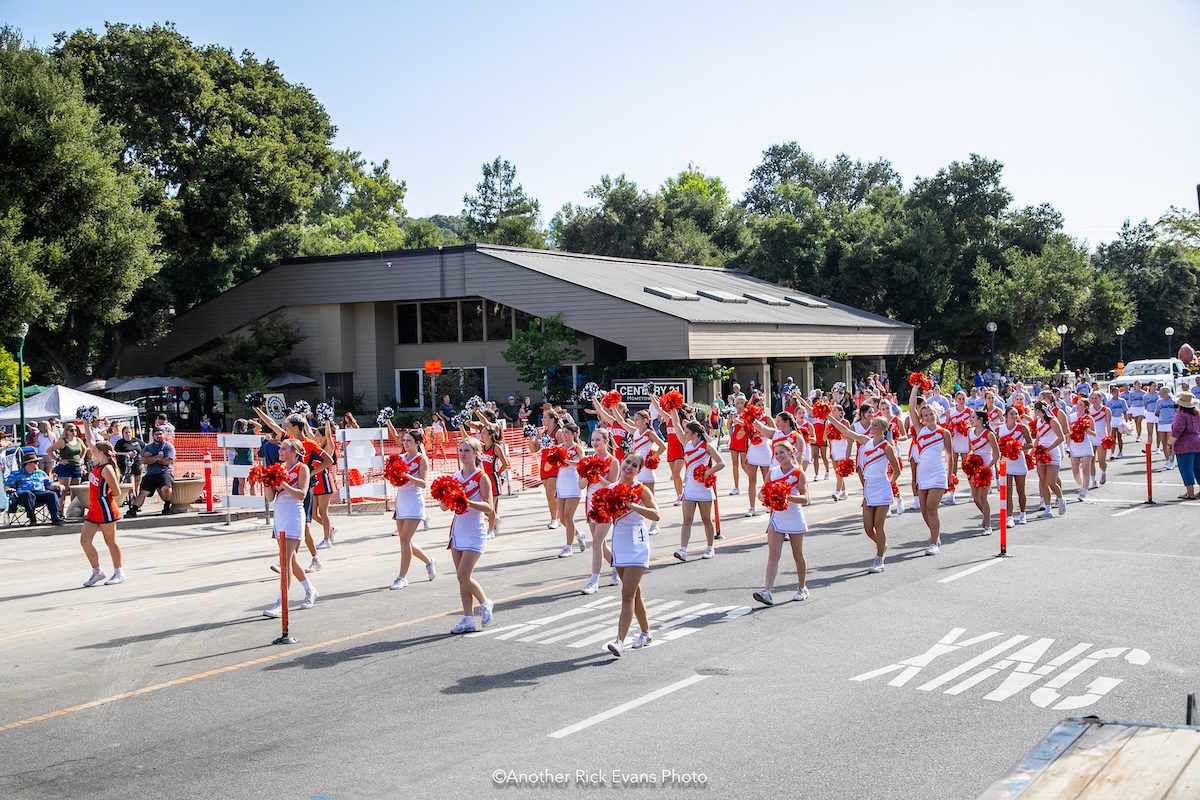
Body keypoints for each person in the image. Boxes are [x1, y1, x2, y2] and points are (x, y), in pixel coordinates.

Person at [253, 408, 334, 571]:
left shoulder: (309, 444)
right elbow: (271, 423)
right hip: (289, 488)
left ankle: (293, 561)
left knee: (303, 526)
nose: (285, 427)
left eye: (287, 425)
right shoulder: (289, 441)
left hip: (303, 488)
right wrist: (257, 409)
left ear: (296, 427)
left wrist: (310, 472)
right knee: (298, 527)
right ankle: (295, 561)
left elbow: (328, 460)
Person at [653, 397, 724, 562]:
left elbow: (721, 463)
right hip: (690, 488)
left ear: (695, 433)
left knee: (706, 520)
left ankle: (709, 547)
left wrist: (708, 472)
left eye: (687, 432)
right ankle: (683, 549)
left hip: (704, 488)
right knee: (687, 520)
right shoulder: (686, 444)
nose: (684, 433)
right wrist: (672, 408)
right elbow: (676, 424)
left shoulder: (706, 446)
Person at [604, 452, 660, 657]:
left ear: (639, 470)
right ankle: (646, 632)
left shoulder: (641, 489)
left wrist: (633, 505)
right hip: (619, 544)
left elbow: (656, 514)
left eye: (634, 465)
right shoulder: (610, 489)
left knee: (627, 595)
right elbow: (601, 517)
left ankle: (619, 641)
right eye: (627, 462)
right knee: (635, 594)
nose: (629, 467)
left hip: (638, 545)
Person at [262, 438, 318, 618]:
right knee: (291, 560)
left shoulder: (302, 468)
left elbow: (301, 494)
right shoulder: (280, 468)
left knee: (285, 560)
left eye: (284, 449)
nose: (280, 451)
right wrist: (266, 483)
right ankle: (310, 590)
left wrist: (283, 483)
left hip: (294, 515)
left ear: (294, 452)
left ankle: (281, 602)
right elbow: (270, 498)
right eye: (280, 448)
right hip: (280, 515)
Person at [752, 440, 811, 604]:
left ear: (791, 452)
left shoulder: (799, 473)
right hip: (777, 518)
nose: (778, 456)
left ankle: (802, 587)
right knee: (773, 555)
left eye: (782, 453)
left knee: (797, 555)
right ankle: (767, 591)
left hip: (794, 517)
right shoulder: (772, 472)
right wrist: (764, 497)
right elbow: (761, 493)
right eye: (776, 453)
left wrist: (786, 496)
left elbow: (805, 498)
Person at [446, 437, 495, 634]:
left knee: (463, 575)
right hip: (458, 531)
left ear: (476, 454)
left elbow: (489, 507)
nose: (462, 454)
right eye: (460, 450)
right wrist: (446, 496)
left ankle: (485, 602)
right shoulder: (455, 477)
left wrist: (467, 501)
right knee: (462, 579)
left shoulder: (481, 477)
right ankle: (468, 619)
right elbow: (443, 507)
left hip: (475, 531)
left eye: (467, 450)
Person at [600, 402, 665, 536]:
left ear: (645, 421)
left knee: (650, 497)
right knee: (634, 497)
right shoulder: (635, 432)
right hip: (636, 470)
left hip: (647, 469)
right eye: (634, 419)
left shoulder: (649, 433)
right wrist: (613, 406)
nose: (635, 421)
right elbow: (620, 421)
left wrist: (653, 457)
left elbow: (662, 446)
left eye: (637, 419)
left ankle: (654, 524)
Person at [385, 423, 436, 589]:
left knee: (405, 540)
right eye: (404, 440)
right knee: (404, 541)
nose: (405, 443)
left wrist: (407, 476)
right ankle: (429, 561)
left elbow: (422, 483)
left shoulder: (421, 459)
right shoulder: (400, 458)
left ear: (417, 443)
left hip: (414, 502)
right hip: (401, 502)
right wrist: (393, 476)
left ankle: (402, 577)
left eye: (409, 441)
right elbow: (396, 481)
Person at [908, 382, 951, 555]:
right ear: (922, 418)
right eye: (925, 415)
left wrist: (950, 474)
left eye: (930, 414)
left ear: (936, 414)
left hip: (938, 473)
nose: (928, 417)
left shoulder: (943, 432)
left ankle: (934, 543)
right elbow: (911, 407)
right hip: (922, 474)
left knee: (932, 506)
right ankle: (935, 534)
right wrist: (915, 388)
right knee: (924, 509)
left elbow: (950, 454)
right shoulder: (920, 430)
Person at [79, 424, 124, 586]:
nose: (91, 451)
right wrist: (86, 422)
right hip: (94, 509)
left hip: (105, 509)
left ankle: (119, 571)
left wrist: (104, 495)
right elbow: (90, 440)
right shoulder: (98, 464)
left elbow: (117, 491)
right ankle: (97, 571)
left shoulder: (106, 469)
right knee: (84, 540)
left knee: (110, 542)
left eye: (94, 450)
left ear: (102, 453)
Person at [579, 427, 621, 595]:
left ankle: (594, 581)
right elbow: (581, 486)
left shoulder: (613, 461)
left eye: (598, 440)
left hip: (605, 503)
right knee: (601, 544)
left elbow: (612, 486)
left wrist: (598, 475)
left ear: (605, 441)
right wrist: (586, 473)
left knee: (596, 543)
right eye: (593, 440)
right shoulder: (589, 459)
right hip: (590, 502)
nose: (595, 443)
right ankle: (617, 567)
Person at [553, 419, 586, 558]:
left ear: (574, 434)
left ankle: (569, 547)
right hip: (561, 482)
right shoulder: (559, 447)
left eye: (567, 433)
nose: (564, 435)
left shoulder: (577, 448)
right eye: (563, 433)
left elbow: (583, 463)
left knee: (568, 516)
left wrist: (568, 462)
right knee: (562, 519)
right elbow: (551, 464)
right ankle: (579, 535)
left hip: (573, 482)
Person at [127, 427, 176, 516]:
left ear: (164, 435)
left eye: (160, 434)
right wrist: (157, 457)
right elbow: (143, 461)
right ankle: (133, 510)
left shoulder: (168, 446)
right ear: (153, 436)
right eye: (156, 434)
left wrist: (151, 458)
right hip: (150, 474)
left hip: (164, 472)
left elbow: (167, 461)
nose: (159, 436)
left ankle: (167, 505)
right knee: (143, 492)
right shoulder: (148, 447)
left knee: (166, 488)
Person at [5, 452, 65, 525]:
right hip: (24, 497)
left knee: (51, 494)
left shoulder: (41, 473)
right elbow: (7, 485)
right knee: (28, 494)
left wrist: (57, 486)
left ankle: (56, 517)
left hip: (40, 494)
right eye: (36, 462)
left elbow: (49, 485)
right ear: (29, 464)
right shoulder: (16, 474)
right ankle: (32, 518)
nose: (38, 464)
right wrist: (9, 489)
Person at [997, 407, 1033, 525]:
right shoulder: (999, 429)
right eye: (1011, 414)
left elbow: (1030, 443)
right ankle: (1009, 517)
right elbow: (997, 446)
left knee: (1020, 490)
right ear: (1006, 415)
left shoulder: (1022, 428)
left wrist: (1018, 447)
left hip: (1018, 460)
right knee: (1007, 490)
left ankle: (1022, 514)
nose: (1014, 416)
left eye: (1016, 414)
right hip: (1005, 461)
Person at [527, 407, 562, 530]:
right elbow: (534, 450)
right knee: (551, 494)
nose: (542, 419)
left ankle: (554, 519)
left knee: (550, 494)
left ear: (552, 419)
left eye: (545, 417)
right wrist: (530, 438)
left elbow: (562, 450)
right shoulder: (542, 433)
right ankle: (558, 516)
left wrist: (555, 460)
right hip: (543, 464)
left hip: (554, 465)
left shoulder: (559, 432)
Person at [1031, 401, 1067, 517]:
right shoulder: (1038, 423)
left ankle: (1061, 499)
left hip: (1053, 452)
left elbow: (1062, 438)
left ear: (1039, 410)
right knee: (1042, 481)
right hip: (1041, 452)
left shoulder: (1052, 421)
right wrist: (1033, 451)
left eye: (1035, 409)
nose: (1034, 411)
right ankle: (1048, 508)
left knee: (1051, 481)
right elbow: (1038, 438)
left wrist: (1049, 449)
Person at [966, 410, 1000, 535]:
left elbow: (996, 454)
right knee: (975, 498)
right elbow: (970, 449)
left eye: (973, 417)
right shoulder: (970, 432)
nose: (971, 419)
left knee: (982, 497)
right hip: (974, 466)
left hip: (985, 467)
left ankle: (988, 525)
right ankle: (986, 517)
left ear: (980, 419)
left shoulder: (989, 434)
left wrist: (988, 467)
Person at [477, 422, 509, 536]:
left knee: (489, 508)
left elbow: (505, 463)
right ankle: (495, 519)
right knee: (487, 508)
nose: (481, 434)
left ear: (490, 435)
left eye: (484, 433)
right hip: (484, 479)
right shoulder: (481, 447)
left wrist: (498, 473)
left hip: (493, 479)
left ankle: (490, 530)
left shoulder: (496, 447)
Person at [1169, 392, 1200, 499]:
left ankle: (1190, 493)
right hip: (1198, 441)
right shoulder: (1197, 413)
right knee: (1198, 468)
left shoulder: (1181, 415)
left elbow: (1177, 430)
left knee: (1186, 468)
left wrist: (1169, 443)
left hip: (1184, 444)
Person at [1067, 397, 1096, 500]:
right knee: (1075, 472)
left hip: (1085, 446)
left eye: (1080, 405)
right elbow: (1068, 433)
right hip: (1074, 446)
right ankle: (1081, 485)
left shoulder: (1089, 418)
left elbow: (1094, 434)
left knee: (1085, 470)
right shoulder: (1071, 417)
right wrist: (1068, 446)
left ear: (1086, 407)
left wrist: (1086, 430)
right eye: (1077, 404)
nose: (1078, 406)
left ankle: (1084, 491)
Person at [47, 423, 85, 490]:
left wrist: (81, 458)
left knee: (75, 491)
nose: (74, 432)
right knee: (64, 490)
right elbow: (49, 450)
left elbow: (84, 449)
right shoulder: (62, 441)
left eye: (75, 430)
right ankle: (61, 501)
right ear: (67, 431)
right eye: (71, 430)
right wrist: (58, 460)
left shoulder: (78, 440)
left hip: (76, 467)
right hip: (66, 467)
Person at [113, 425, 144, 501]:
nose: (128, 434)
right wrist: (127, 453)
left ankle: (137, 502)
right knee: (131, 486)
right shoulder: (120, 442)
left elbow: (144, 447)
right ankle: (133, 502)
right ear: (123, 433)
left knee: (137, 486)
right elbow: (115, 453)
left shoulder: (136, 440)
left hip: (138, 465)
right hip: (127, 467)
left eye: (129, 432)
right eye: (126, 432)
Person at [1155, 386, 1177, 470]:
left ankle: (1172, 462)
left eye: (1161, 392)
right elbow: (1156, 412)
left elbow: (1177, 412)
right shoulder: (1159, 402)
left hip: (1171, 424)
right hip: (1161, 424)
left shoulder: (1174, 401)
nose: (1159, 394)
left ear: (1165, 392)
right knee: (1164, 444)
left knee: (1170, 444)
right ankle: (1167, 459)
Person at [230, 419, 254, 495]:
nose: (247, 427)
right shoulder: (247, 434)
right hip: (247, 460)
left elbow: (228, 446)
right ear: (243, 427)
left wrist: (234, 450)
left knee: (241, 484)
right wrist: (252, 422)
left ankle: (242, 503)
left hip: (238, 461)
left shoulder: (234, 436)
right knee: (252, 484)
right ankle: (254, 502)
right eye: (246, 425)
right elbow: (259, 427)